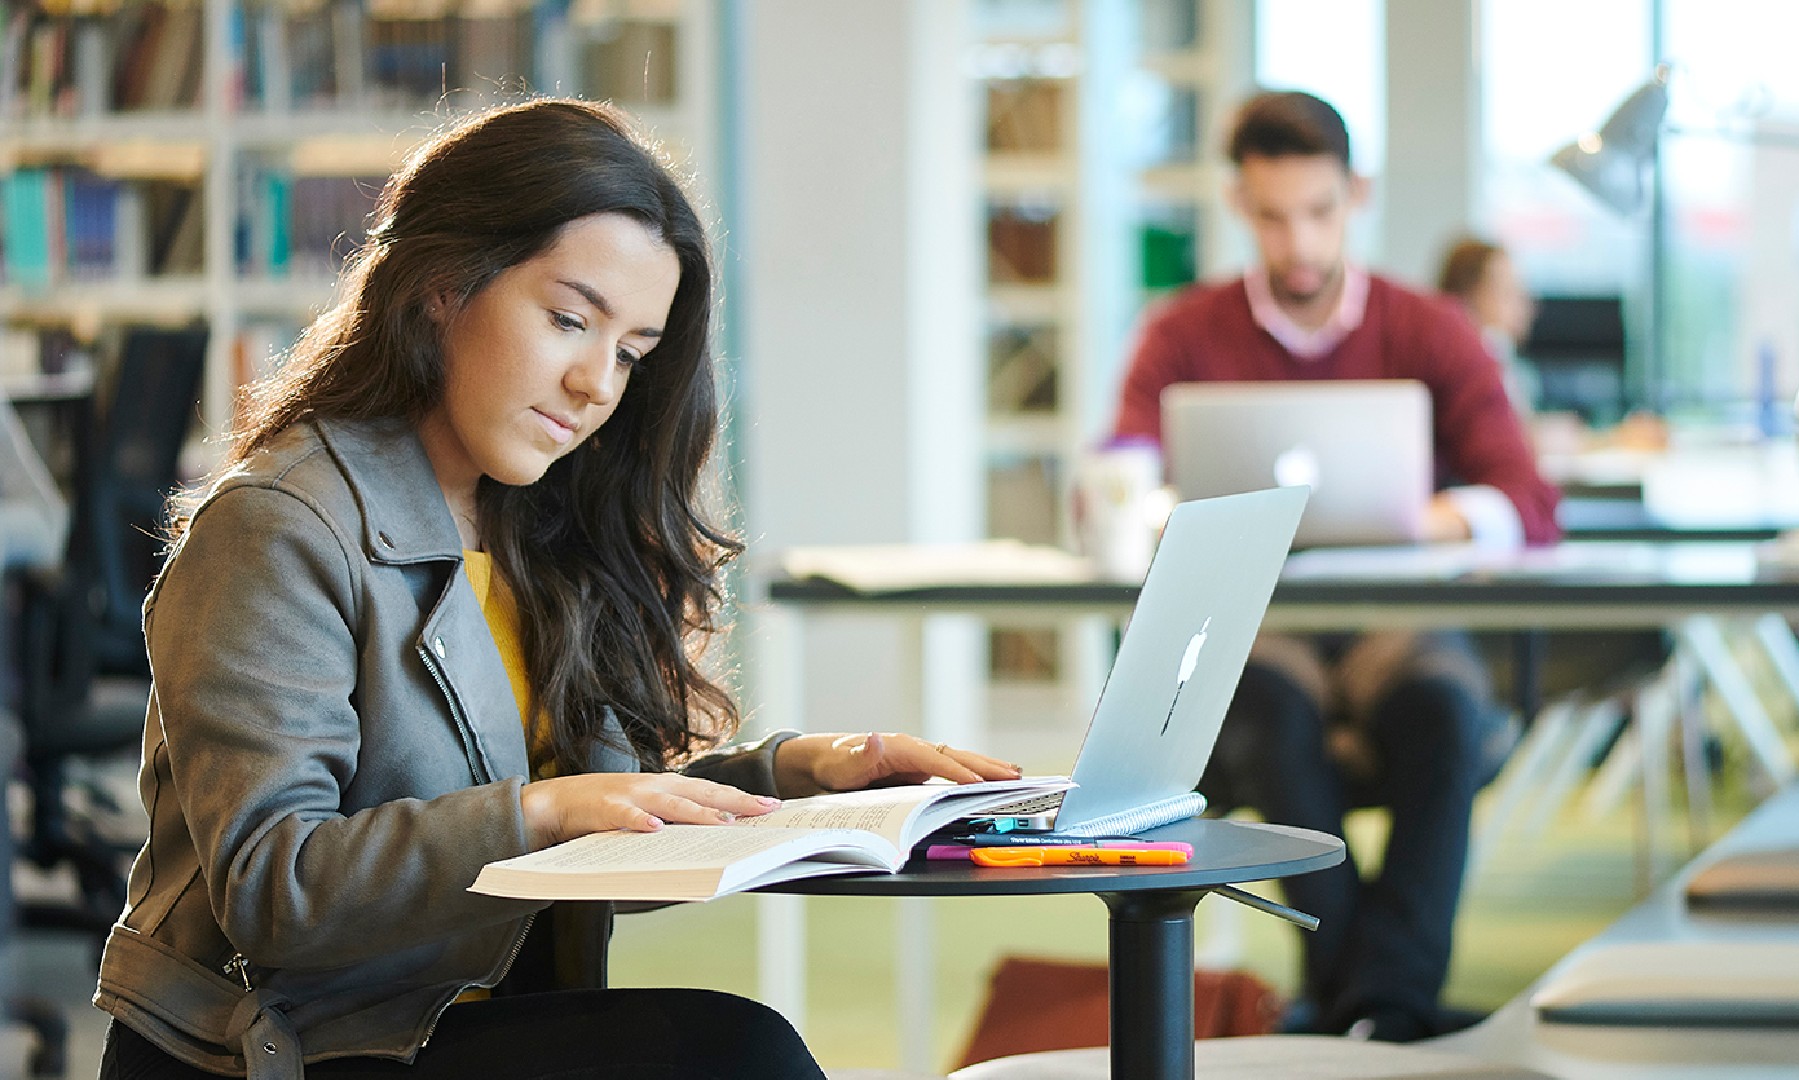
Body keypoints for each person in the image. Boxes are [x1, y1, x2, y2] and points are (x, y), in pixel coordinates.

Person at [92, 98, 1022, 1079]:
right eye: (570, 320)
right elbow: (273, 884)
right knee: (733, 1053)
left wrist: (794, 776)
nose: (596, 385)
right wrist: (544, 813)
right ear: (442, 285)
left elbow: (595, 819)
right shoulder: (277, 526)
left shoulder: (532, 525)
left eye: (630, 353)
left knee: (724, 1047)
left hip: (454, 1025)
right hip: (282, 1046)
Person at [1111, 90, 1560, 1043]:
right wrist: (1157, 507)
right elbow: (1119, 472)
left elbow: (1525, 497)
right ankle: (1382, 1007)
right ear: (1241, 203)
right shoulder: (1185, 330)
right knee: (1272, 711)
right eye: (1273, 217)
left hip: (1392, 623)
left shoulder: (1426, 325)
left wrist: (1424, 517)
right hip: (1261, 624)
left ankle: (1363, 1002)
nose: (1299, 244)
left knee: (1443, 710)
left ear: (1355, 194)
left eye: (1319, 212)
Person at [1435, 236, 1540, 419]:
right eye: (1507, 291)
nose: (1524, 304)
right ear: (1469, 296)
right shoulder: (1466, 369)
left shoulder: (1505, 358)